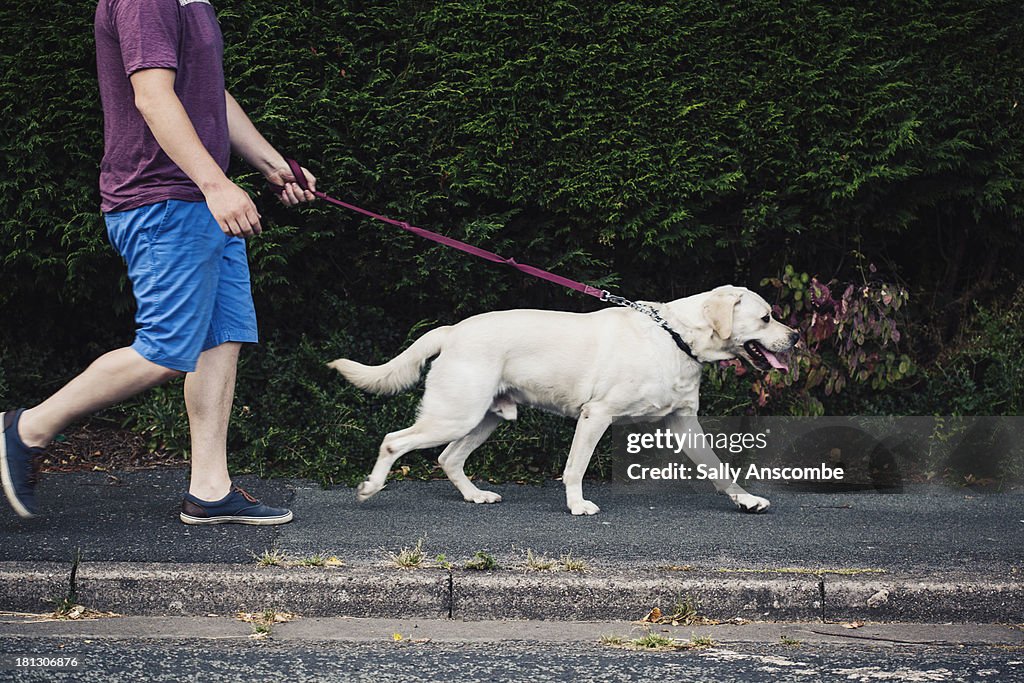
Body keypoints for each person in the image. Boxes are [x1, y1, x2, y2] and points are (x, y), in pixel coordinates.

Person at [1, 0, 315, 524]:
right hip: (162, 198)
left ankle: (210, 490)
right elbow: (152, 95)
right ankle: (25, 429)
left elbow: (209, 94)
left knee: (222, 338)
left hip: (198, 199)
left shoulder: (195, 2)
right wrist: (216, 185)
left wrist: (273, 166)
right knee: (167, 350)